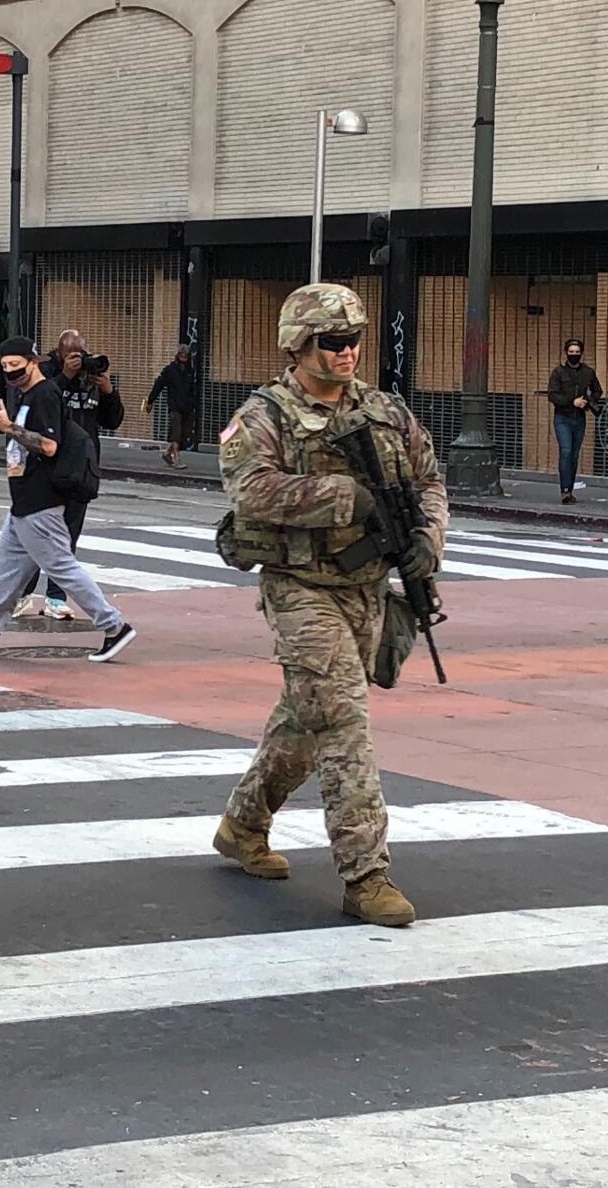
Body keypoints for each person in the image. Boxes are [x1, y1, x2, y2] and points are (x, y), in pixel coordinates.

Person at [210, 283, 447, 928]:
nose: (347, 353)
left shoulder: (385, 411)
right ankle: (366, 875)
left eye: (354, 340)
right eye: (332, 342)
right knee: (343, 719)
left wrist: (428, 541)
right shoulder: (265, 415)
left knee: (304, 720)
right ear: (299, 345)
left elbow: (427, 478)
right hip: (299, 588)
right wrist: (345, 498)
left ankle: (244, 823)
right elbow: (249, 491)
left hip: (367, 588)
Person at [0, 336, 136, 663]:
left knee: (62, 567)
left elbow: (49, 446)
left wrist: (8, 427)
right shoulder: (28, 393)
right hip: (24, 502)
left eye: (16, 366)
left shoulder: (44, 394)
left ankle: (114, 626)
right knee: (4, 572)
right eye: (5, 367)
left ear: (32, 361)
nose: (10, 372)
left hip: (40, 501)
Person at [13, 329, 124, 622]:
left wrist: (109, 391)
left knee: (67, 537)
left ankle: (55, 597)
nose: (78, 359)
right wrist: (64, 375)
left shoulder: (92, 377)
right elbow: (38, 403)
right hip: (46, 467)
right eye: (71, 353)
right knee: (36, 536)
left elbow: (112, 420)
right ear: (59, 352)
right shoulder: (46, 374)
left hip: (79, 468)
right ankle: (21, 595)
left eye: (81, 353)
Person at [545, 337, 601, 504]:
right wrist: (572, 401)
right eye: (571, 352)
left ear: (581, 353)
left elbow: (598, 390)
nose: (574, 355)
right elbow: (553, 395)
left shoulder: (588, 372)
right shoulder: (558, 372)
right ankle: (565, 490)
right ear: (566, 353)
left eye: (577, 352)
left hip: (579, 418)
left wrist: (588, 401)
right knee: (566, 451)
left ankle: (570, 488)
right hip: (562, 417)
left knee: (574, 455)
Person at [143, 343, 199, 468]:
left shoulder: (191, 371)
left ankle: (168, 453)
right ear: (177, 356)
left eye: (186, 355)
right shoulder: (170, 370)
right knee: (176, 433)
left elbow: (194, 389)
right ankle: (176, 459)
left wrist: (193, 404)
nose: (184, 357)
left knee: (184, 434)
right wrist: (150, 401)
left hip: (187, 407)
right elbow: (158, 385)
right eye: (181, 355)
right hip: (175, 406)